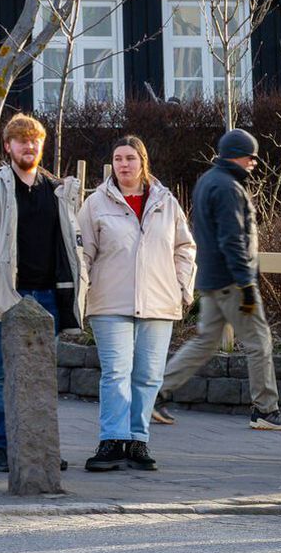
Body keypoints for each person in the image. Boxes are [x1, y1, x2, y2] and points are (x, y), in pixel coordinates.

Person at [0, 113, 88, 473]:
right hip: (6, 298)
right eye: (21, 140)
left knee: (43, 377)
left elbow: (74, 242)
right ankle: (3, 447)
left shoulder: (57, 190)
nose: (28, 146)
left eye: (34, 140)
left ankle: (39, 447)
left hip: (48, 297)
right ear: (8, 146)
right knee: (2, 376)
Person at [154, 129, 281, 432]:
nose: (254, 163)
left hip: (211, 280)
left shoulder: (208, 181)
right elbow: (233, 239)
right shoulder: (229, 188)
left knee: (204, 342)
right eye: (251, 157)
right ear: (237, 154)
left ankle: (155, 394)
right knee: (259, 342)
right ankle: (265, 409)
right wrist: (247, 284)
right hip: (234, 283)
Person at [77, 135, 196, 473]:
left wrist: (180, 288)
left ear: (143, 162)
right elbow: (83, 253)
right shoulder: (96, 204)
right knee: (116, 372)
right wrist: (80, 295)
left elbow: (185, 248)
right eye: (118, 159)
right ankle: (112, 440)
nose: (124, 165)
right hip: (110, 302)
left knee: (147, 375)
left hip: (159, 303)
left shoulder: (166, 202)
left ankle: (138, 441)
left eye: (130, 158)